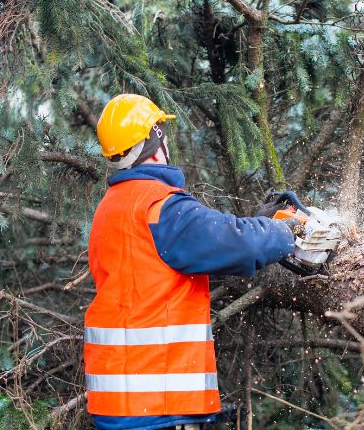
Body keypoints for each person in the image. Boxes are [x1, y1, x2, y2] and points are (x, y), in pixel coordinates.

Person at [85, 94, 297, 430]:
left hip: (121, 403)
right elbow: (234, 242)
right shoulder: (160, 207)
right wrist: (284, 234)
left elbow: (185, 253)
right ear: (154, 140)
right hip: (156, 405)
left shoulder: (111, 209)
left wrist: (260, 223)